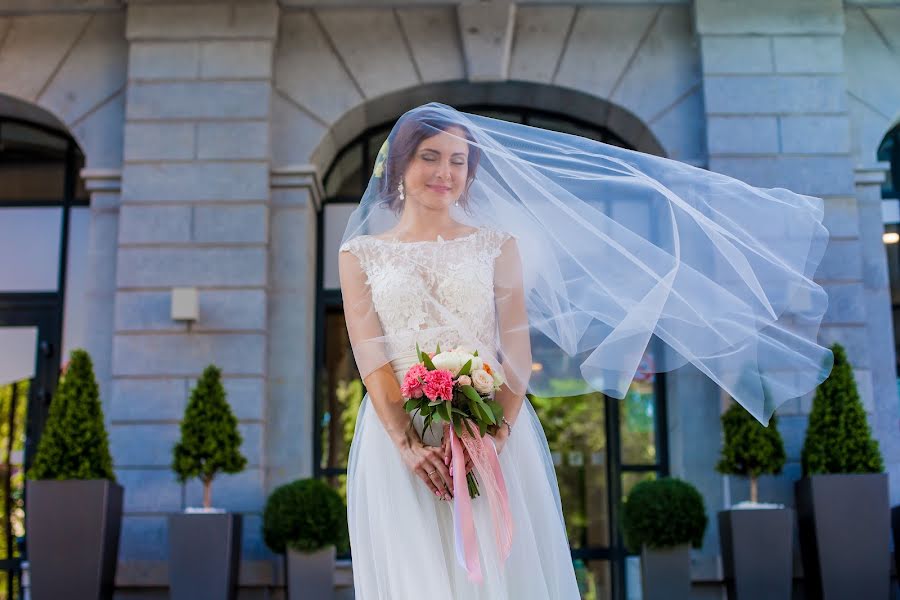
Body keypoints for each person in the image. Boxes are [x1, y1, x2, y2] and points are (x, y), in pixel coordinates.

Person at [338, 103, 832, 598]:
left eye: (458, 161)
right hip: (397, 437)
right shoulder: (359, 255)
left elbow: (515, 347)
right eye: (430, 156)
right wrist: (407, 444)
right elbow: (370, 356)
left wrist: (497, 436)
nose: (445, 172)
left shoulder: (497, 245)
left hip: (489, 430)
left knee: (497, 579)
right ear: (401, 162)